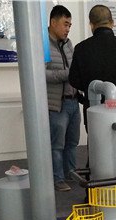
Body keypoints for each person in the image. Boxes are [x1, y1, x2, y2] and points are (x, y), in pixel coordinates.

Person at [68, 4, 116, 126]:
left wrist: (89, 90)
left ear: (91, 24)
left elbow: (74, 80)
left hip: (93, 111)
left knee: (96, 138)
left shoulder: (81, 48)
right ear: (112, 23)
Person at [46, 5, 80, 192]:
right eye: (65, 24)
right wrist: (67, 74)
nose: (68, 29)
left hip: (73, 100)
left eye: (70, 25)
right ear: (53, 22)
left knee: (72, 143)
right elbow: (41, 74)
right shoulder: (42, 44)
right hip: (56, 104)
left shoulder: (68, 43)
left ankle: (71, 174)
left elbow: (74, 68)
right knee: (57, 145)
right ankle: (58, 179)